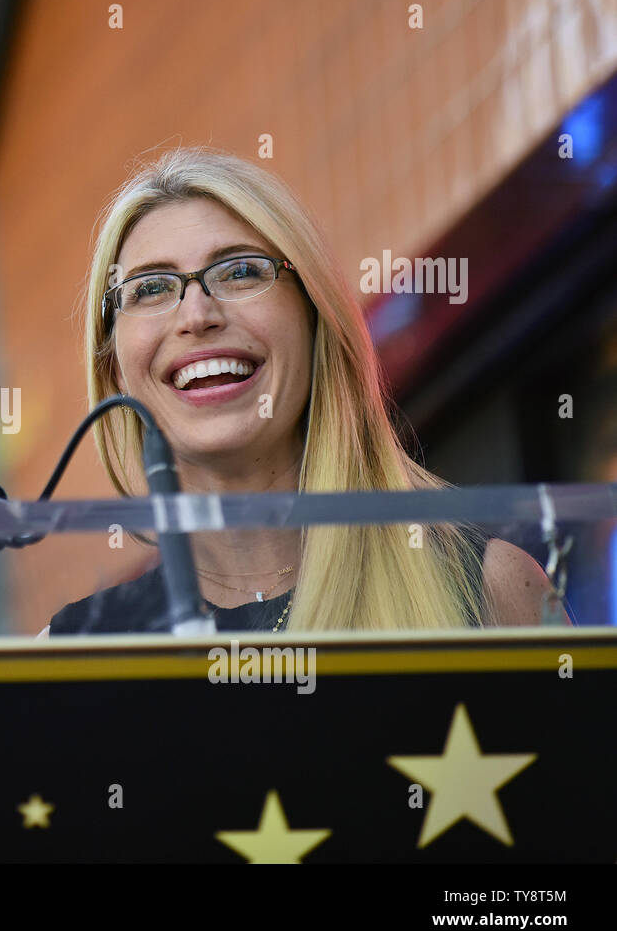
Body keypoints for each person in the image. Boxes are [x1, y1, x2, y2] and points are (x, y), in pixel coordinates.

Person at [47, 147, 568, 635]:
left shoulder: (491, 589)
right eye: (151, 288)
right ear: (114, 366)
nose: (197, 315)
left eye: (241, 271)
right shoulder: (74, 655)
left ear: (315, 318)